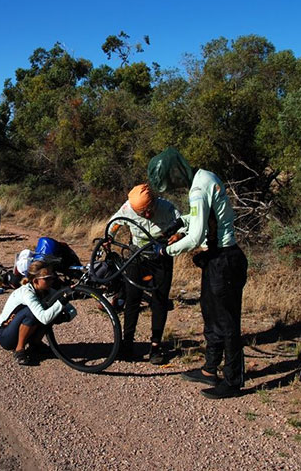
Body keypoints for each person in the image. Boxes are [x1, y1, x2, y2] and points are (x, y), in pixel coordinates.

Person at [149, 147, 248, 399]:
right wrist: (180, 222)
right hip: (216, 258)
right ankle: (209, 369)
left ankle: (233, 380)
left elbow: (195, 236)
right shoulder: (203, 177)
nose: (174, 186)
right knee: (210, 314)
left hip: (224, 259)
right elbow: (199, 217)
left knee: (227, 323)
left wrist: (166, 251)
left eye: (171, 182)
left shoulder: (197, 188)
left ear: (176, 171)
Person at [106, 183, 183, 365]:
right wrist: (109, 237)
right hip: (136, 257)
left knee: (159, 300)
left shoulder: (167, 208)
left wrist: (179, 236)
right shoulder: (128, 208)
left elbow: (185, 224)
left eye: (150, 211)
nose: (147, 215)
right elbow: (114, 223)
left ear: (155, 202)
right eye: (142, 214)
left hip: (161, 257)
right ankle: (127, 344)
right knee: (132, 298)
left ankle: (155, 347)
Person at [0, 261, 65, 365]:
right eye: (47, 278)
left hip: (17, 330)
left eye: (52, 277)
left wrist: (64, 316)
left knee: (50, 310)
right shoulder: (27, 293)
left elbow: (72, 310)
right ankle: (19, 350)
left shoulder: (49, 291)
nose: (51, 281)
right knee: (32, 313)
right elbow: (44, 317)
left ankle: (35, 344)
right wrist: (62, 301)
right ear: (36, 281)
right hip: (5, 335)